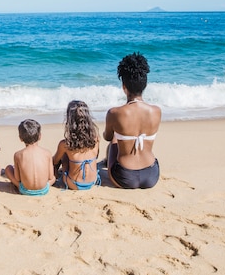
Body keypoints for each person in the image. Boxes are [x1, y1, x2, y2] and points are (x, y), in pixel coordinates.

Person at [103, 52, 161, 189]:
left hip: (124, 177)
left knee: (114, 141)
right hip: (152, 174)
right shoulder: (156, 111)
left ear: (124, 86)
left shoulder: (114, 113)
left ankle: (106, 164)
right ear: (145, 85)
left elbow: (107, 137)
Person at [53, 100, 101, 190]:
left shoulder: (65, 144)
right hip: (93, 181)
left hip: (73, 183)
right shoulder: (96, 139)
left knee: (63, 155)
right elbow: (96, 156)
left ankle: (55, 176)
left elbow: (55, 161)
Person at [5, 119, 56, 196]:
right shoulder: (47, 153)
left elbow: (18, 179)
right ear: (40, 136)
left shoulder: (18, 154)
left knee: (8, 168)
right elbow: (50, 176)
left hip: (25, 190)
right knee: (54, 177)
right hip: (44, 189)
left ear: (20, 138)